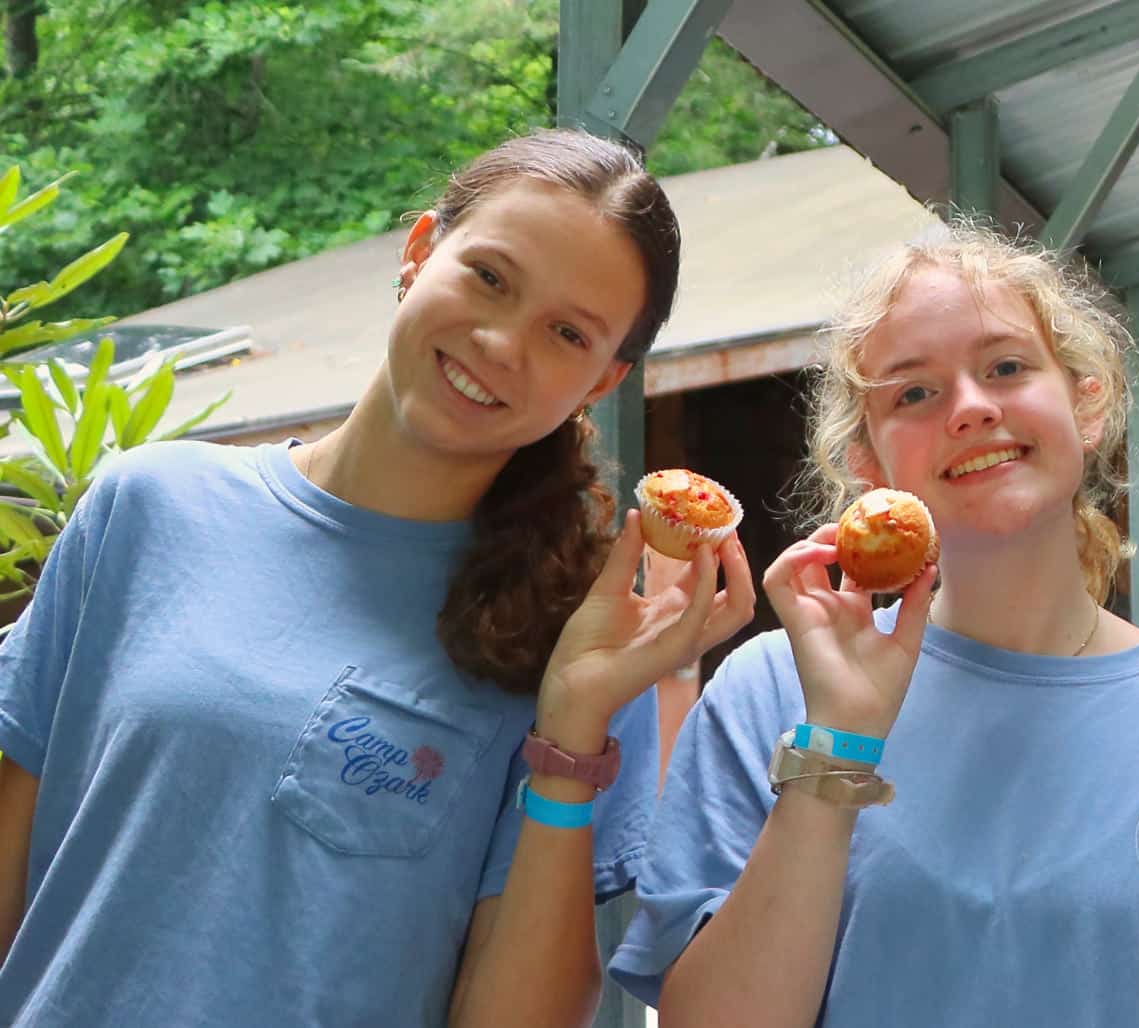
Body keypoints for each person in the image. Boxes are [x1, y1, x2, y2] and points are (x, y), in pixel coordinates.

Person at [0, 128, 753, 1026]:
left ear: (603, 380)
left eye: (566, 332)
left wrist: (572, 729)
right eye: (489, 276)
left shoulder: (574, 640)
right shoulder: (148, 507)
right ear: (418, 250)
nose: (501, 342)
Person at [615, 222, 1139, 1027]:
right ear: (870, 465)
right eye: (913, 393)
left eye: (1006, 366)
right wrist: (836, 744)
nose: (970, 408)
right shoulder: (775, 691)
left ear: (1087, 402)